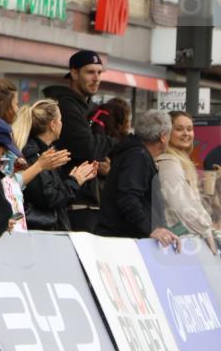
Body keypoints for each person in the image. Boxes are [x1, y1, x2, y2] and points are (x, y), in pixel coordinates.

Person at [95, 110, 181, 248]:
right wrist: (151, 229)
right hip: (122, 242)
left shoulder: (135, 153)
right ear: (163, 137)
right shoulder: (138, 156)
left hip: (123, 239)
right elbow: (128, 197)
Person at [43, 50, 107, 232]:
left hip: (83, 201)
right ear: (74, 73)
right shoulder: (66, 106)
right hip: (72, 204)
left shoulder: (86, 108)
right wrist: (110, 142)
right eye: (90, 72)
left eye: (99, 72)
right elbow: (88, 148)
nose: (96, 78)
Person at [13, 99, 98, 231]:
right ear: (53, 125)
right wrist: (75, 181)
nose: (62, 124)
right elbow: (49, 198)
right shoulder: (32, 154)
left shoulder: (45, 152)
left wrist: (78, 178)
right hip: (41, 234)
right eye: (61, 120)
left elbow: (56, 192)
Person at [157, 111, 217, 253]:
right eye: (179, 129)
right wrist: (207, 230)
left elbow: (195, 202)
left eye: (189, 129)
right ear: (166, 133)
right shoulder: (168, 163)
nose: (186, 133)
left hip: (186, 238)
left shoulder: (182, 161)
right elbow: (182, 206)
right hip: (175, 242)